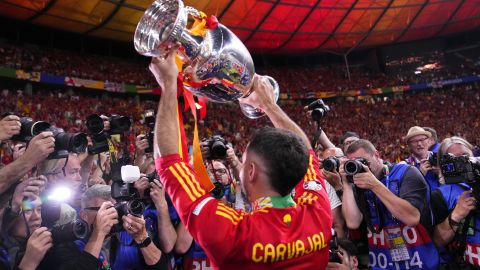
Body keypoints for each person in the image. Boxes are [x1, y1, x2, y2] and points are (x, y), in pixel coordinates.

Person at [150, 46, 332, 269]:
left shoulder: (232, 232)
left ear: (252, 171)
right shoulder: (318, 211)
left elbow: (169, 163)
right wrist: (268, 104)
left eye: (244, 161)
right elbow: (306, 152)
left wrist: (168, 85)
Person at [341, 139, 439, 269]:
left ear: (376, 155)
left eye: (362, 161)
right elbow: (352, 222)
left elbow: (412, 218)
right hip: (382, 263)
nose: (359, 166)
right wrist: (346, 184)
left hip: (419, 261)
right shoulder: (358, 183)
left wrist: (375, 185)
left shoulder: (406, 172)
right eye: (353, 163)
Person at [430, 137, 480, 268]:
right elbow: (436, 242)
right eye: (456, 158)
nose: (464, 162)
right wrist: (455, 216)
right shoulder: (440, 195)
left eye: (465, 155)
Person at [404, 126, 442, 191]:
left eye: (422, 139)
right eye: (414, 141)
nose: (419, 143)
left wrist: (442, 173)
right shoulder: (405, 166)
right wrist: (419, 175)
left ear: (428, 141)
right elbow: (405, 192)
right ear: (409, 145)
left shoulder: (441, 157)